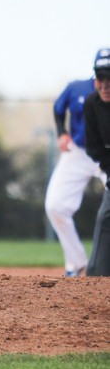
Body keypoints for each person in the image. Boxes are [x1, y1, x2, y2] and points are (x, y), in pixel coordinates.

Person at [44, 54, 105, 277]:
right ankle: (76, 262)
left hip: (106, 154)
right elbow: (58, 107)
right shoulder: (77, 88)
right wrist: (61, 133)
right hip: (79, 152)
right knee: (55, 205)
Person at [84, 48, 110, 277]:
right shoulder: (91, 104)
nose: (105, 84)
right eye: (101, 77)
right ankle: (95, 281)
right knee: (105, 217)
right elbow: (93, 146)